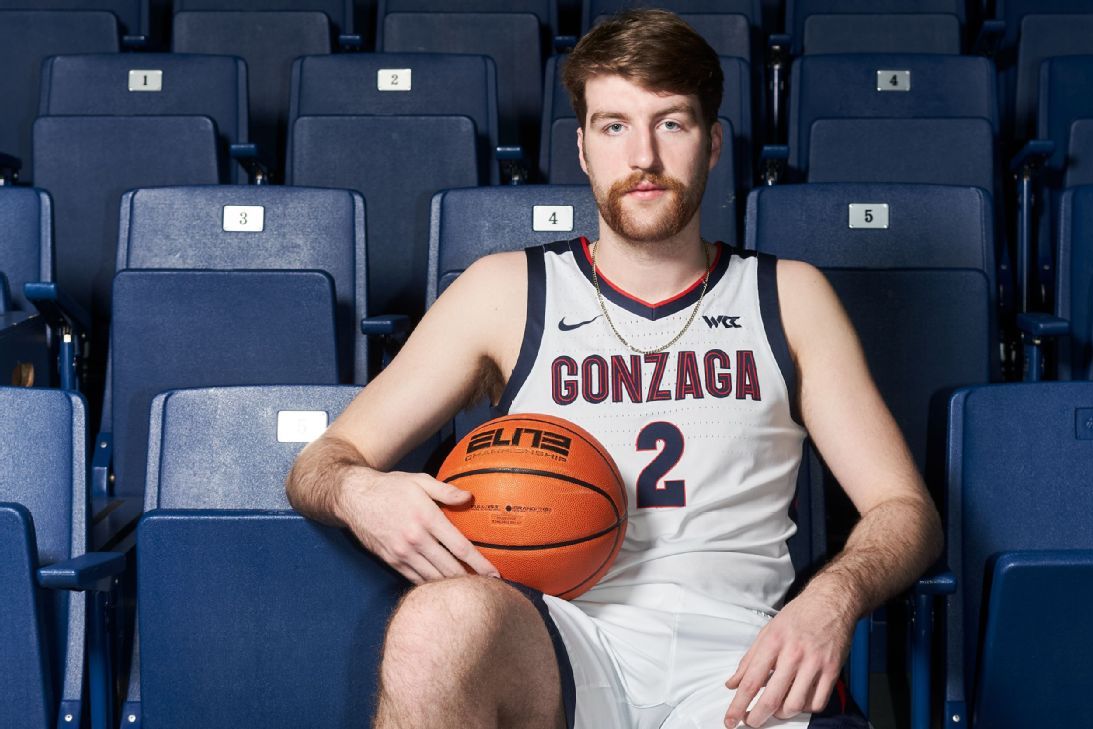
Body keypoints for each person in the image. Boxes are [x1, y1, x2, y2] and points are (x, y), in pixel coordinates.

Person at [286, 9, 942, 729]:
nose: (644, 157)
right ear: (582, 148)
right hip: (565, 642)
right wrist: (359, 493)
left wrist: (831, 597)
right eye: (614, 126)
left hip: (743, 657)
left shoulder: (788, 296)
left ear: (714, 143)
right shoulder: (506, 291)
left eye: (672, 123)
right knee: (435, 621)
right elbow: (322, 461)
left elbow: (904, 511)